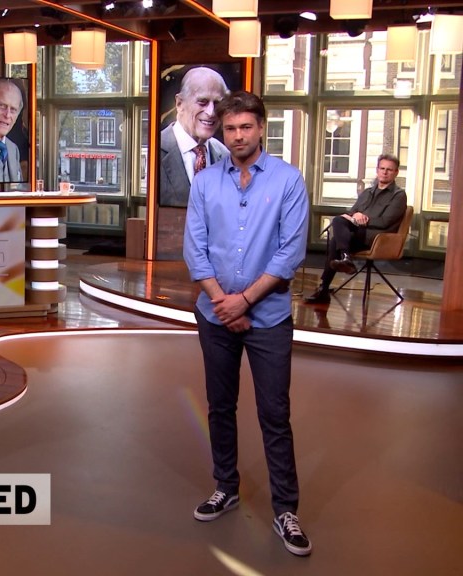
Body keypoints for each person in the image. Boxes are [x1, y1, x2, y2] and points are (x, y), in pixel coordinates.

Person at [183, 91, 312, 557]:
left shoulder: (288, 180)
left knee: (274, 413)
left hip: (269, 317)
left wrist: (244, 302)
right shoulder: (204, 182)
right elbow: (194, 248)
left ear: (261, 128)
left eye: (246, 127)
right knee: (220, 406)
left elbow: (290, 252)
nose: (237, 136)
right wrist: (224, 303)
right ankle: (226, 486)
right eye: (230, 128)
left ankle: (286, 509)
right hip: (215, 315)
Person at [304, 154, 408, 304]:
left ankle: (326, 286)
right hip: (358, 233)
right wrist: (355, 215)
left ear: (396, 172)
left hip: (377, 238)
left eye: (389, 170)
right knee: (338, 221)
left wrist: (364, 219)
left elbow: (385, 222)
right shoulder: (367, 192)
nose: (385, 172)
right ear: (377, 170)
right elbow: (352, 212)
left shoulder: (399, 195)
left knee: (336, 240)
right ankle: (343, 260)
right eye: (382, 168)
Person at [159, 67, 230, 208]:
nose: (211, 112)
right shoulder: (156, 151)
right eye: (202, 102)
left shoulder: (225, 156)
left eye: (217, 103)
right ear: (179, 104)